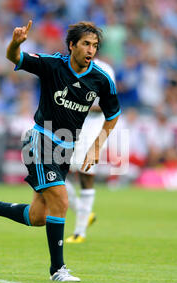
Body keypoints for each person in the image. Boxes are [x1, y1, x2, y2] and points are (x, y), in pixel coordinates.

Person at [0, 20, 121, 282]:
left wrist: (96, 147)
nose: (91, 50)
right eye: (85, 44)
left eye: (95, 45)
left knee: (39, 217)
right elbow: (13, 57)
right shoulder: (52, 65)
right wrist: (16, 42)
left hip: (66, 150)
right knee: (61, 200)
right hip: (40, 141)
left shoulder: (101, 79)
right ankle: (57, 270)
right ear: (72, 45)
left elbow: (113, 114)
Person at [64, 58, 116, 244]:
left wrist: (79, 104)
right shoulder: (66, 65)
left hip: (93, 126)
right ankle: (82, 212)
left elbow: (106, 103)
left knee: (86, 172)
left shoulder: (104, 69)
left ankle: (80, 232)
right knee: (54, 173)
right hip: (68, 123)